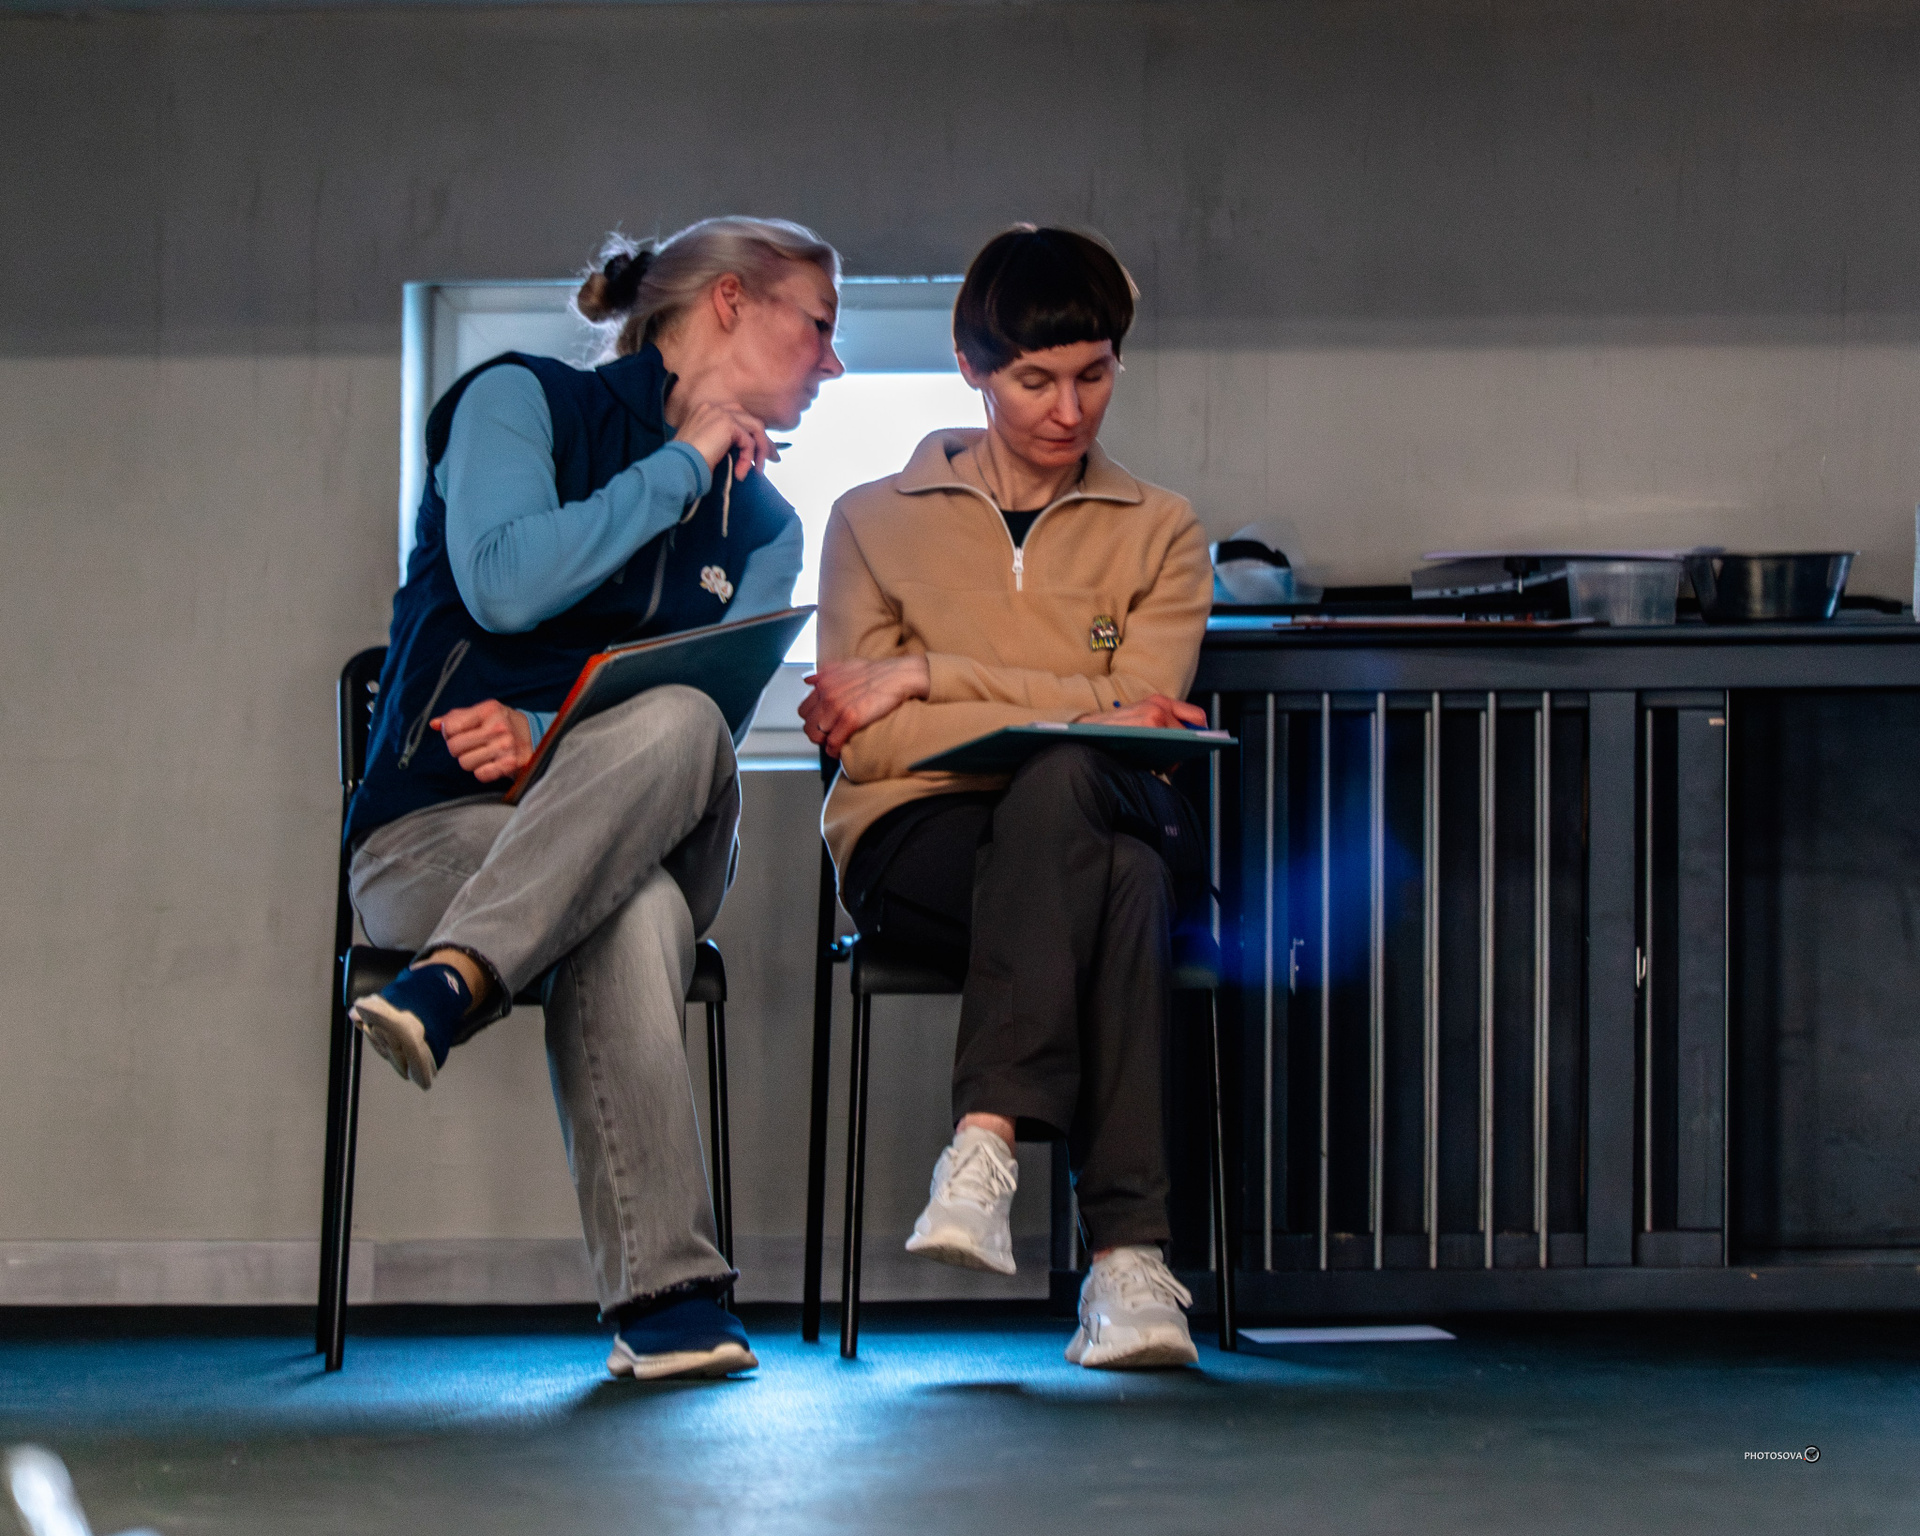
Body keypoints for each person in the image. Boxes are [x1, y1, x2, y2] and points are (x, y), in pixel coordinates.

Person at [344, 216, 844, 1381]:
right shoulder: (519, 402)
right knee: (626, 912)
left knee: (678, 728)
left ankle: (453, 982)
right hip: (433, 839)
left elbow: (701, 734)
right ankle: (669, 1304)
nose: (834, 361)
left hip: (649, 828)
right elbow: (505, 587)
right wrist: (682, 465)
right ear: (729, 301)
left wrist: (545, 738)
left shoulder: (769, 531)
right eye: (819, 325)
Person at [799, 226, 1214, 1369]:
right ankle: (1129, 1267)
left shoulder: (1164, 529)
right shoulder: (870, 518)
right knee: (1116, 873)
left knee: (1070, 784)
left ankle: (984, 1143)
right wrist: (1077, 705)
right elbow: (870, 744)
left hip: (1097, 807)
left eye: (1094, 374)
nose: (1069, 409)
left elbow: (1146, 717)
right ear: (971, 369)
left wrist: (930, 673)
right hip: (916, 838)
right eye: (1035, 380)